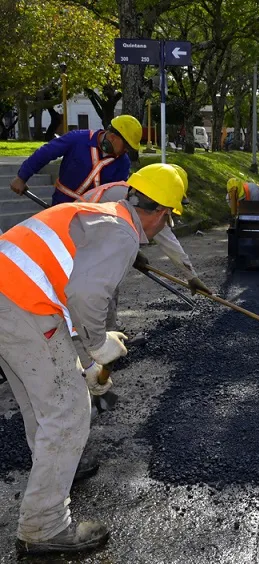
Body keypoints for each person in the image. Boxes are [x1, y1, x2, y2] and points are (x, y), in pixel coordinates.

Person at [0, 163, 184, 555]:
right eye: (167, 219)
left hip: (11, 297)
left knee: (42, 403)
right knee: (68, 410)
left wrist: (83, 361)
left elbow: (65, 287)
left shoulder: (104, 211)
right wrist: (98, 347)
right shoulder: (122, 234)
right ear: (163, 214)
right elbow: (86, 295)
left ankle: (54, 471)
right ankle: (43, 526)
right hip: (21, 304)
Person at [81, 163, 210, 334]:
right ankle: (103, 338)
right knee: (106, 285)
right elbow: (167, 241)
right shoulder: (141, 203)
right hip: (83, 242)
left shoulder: (133, 194)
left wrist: (135, 255)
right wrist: (191, 277)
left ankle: (104, 333)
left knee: (105, 284)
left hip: (87, 236)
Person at [9, 115, 142, 206]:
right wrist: (22, 177)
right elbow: (45, 153)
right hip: (62, 205)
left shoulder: (123, 163)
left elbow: (116, 193)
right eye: (126, 146)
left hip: (92, 215)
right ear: (113, 137)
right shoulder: (78, 139)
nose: (126, 151)